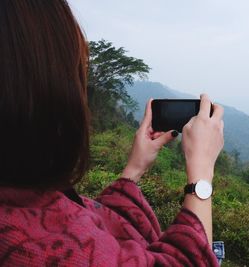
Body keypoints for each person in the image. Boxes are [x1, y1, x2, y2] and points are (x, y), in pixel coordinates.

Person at [0, 1, 224, 266]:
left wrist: (134, 169)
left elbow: (94, 226)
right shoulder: (30, 248)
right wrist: (200, 174)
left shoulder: (18, 200)